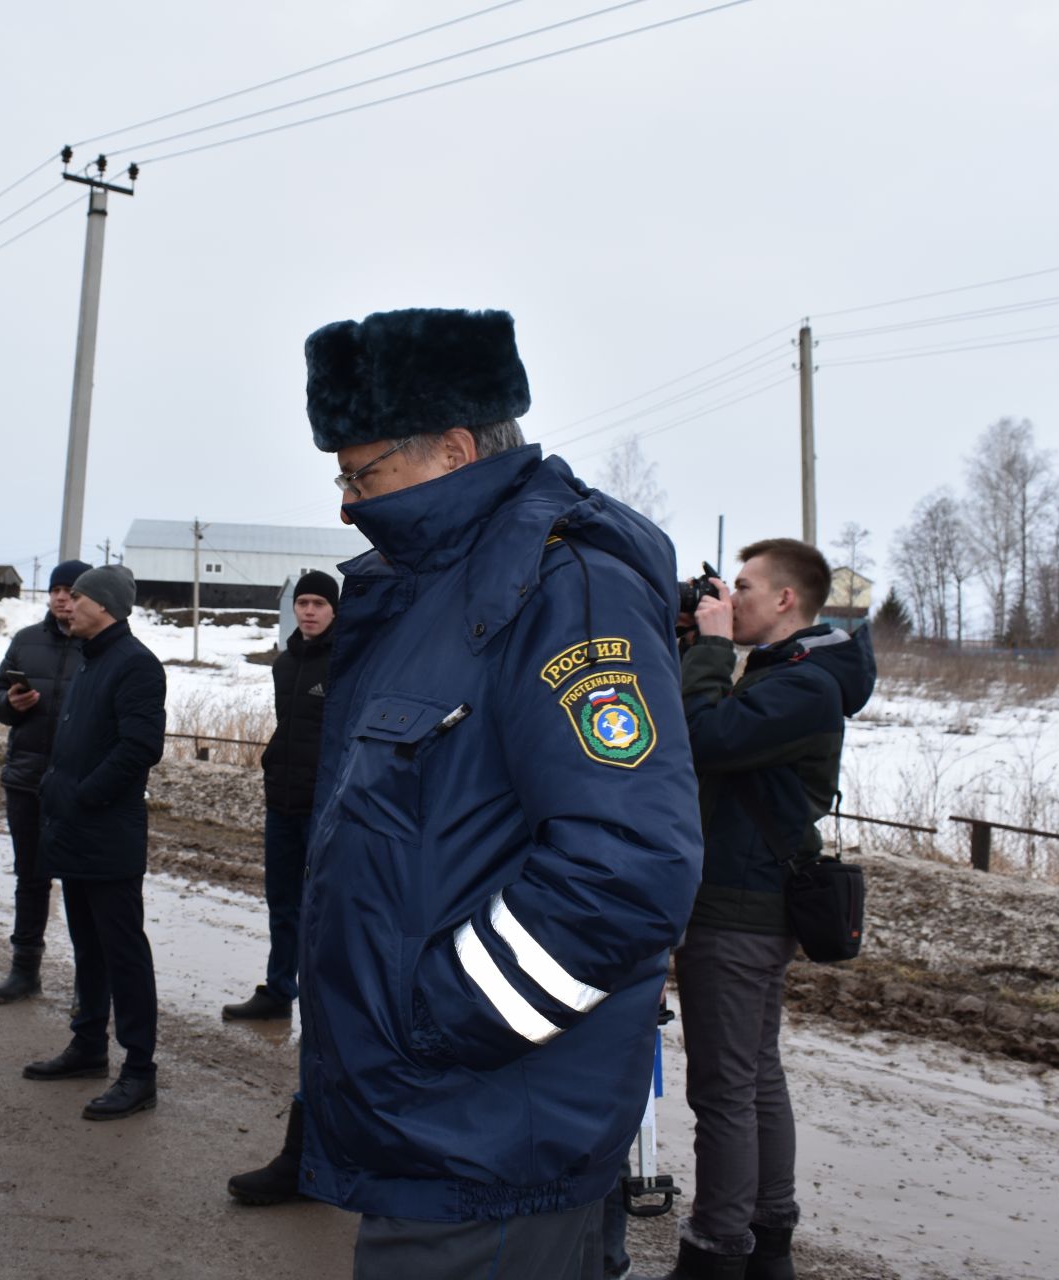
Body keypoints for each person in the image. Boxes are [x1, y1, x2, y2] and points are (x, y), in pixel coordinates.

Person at [294, 308, 702, 1278]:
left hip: (488, 1122)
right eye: (341, 478)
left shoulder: (561, 590)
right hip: (433, 1118)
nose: (349, 504)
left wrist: (441, 1017)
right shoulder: (426, 589)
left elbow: (629, 864)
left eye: (366, 473)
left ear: (455, 449)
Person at [644, 541, 875, 1280]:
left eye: (744, 587)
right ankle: (768, 1237)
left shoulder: (805, 686)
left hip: (738, 907)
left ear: (785, 601)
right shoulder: (787, 672)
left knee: (723, 1088)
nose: (730, 597)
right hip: (746, 897)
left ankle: (716, 1252)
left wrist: (710, 649)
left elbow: (704, 738)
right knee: (753, 1077)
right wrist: (698, 646)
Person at [21, 564, 168, 1121]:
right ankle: (87, 1046)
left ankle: (139, 1071)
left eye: (76, 596)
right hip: (75, 830)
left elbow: (138, 749)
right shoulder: (91, 661)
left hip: (107, 833)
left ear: (103, 605)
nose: (67, 604)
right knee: (87, 945)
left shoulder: (135, 665)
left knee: (123, 952)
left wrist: (82, 795)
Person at [221, 568, 338, 1022]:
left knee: (322, 907)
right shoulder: (285, 663)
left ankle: (323, 1001)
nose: (309, 612)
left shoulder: (345, 660)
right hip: (283, 799)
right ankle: (277, 990)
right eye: (303, 603)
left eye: (319, 604)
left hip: (324, 805)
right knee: (281, 903)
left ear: (334, 610)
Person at [0, 559, 91, 1004]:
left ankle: (89, 983)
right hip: (26, 779)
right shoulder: (26, 641)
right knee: (30, 879)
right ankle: (24, 970)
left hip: (79, 788)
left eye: (70, 590)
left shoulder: (100, 645)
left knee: (83, 886)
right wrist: (10, 702)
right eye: (55, 590)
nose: (61, 598)